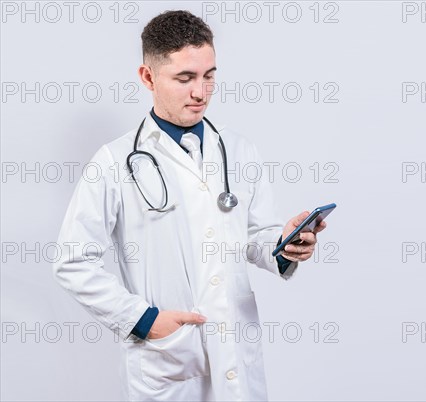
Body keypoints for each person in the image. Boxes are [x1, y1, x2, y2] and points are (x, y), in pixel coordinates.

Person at [52, 10, 326, 401]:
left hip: (235, 353)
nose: (201, 92)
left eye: (209, 75)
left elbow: (254, 237)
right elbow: (73, 261)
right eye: (185, 78)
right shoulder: (114, 162)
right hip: (168, 364)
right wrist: (145, 321)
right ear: (148, 77)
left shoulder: (237, 149)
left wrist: (284, 246)